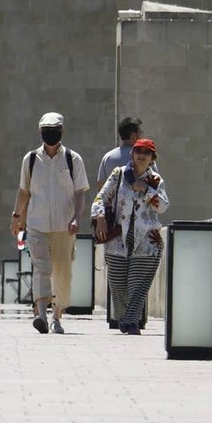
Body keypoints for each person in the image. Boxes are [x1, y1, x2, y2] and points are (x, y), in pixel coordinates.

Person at [10, 112, 90, 335]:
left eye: (54, 130)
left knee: (62, 272)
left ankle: (57, 317)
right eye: (46, 130)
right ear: (40, 131)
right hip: (37, 224)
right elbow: (24, 191)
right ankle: (41, 315)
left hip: (64, 227)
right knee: (41, 268)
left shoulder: (73, 160)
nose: (50, 134)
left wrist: (76, 217)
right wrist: (17, 216)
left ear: (62, 131)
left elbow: (79, 193)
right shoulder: (31, 159)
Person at [91, 138, 169, 335]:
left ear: (152, 158)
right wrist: (99, 216)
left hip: (147, 242)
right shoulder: (118, 174)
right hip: (117, 240)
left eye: (147, 152)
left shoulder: (156, 181)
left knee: (138, 286)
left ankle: (131, 322)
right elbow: (101, 197)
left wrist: (147, 191)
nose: (142, 155)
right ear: (132, 154)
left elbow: (163, 206)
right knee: (117, 286)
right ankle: (125, 319)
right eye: (138, 151)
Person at [97, 116, 144, 184]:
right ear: (133, 136)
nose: (142, 136)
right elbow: (156, 186)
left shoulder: (108, 157)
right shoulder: (145, 157)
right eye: (140, 133)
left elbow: (100, 186)